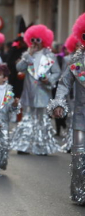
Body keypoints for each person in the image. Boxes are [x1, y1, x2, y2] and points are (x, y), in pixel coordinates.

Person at [50, 13, 85, 205]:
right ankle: (80, 193)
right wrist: (58, 103)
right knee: (79, 155)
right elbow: (63, 84)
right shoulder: (76, 61)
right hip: (81, 116)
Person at [11, 25, 61, 156]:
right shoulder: (27, 55)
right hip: (29, 93)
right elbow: (19, 68)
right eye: (32, 40)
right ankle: (24, 146)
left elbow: (57, 73)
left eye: (37, 40)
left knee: (42, 120)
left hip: (43, 93)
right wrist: (28, 55)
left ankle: (41, 147)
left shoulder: (50, 56)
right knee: (27, 119)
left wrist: (49, 79)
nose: (35, 43)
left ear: (43, 40)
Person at [0, 64, 20, 170]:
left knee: (4, 144)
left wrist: (15, 105)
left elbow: (12, 109)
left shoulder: (9, 91)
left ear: (5, 78)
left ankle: (1, 162)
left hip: (4, 121)